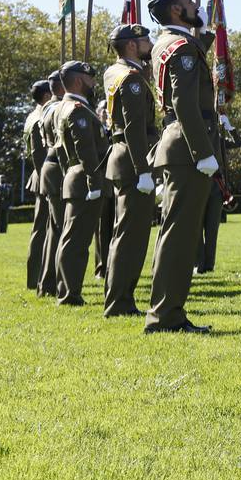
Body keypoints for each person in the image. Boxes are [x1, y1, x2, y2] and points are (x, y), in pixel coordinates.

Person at [145, 0, 220, 334]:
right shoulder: (181, 46)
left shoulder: (169, 43)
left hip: (176, 144)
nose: (195, 6)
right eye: (189, 3)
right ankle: (165, 316)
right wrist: (203, 152)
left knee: (175, 232)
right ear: (176, 11)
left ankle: (167, 312)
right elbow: (185, 103)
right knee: (180, 235)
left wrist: (202, 34)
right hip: (189, 146)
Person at [102, 23, 159, 317]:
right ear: (132, 46)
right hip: (134, 159)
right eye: (145, 39)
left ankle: (118, 298)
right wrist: (144, 169)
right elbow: (136, 127)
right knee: (131, 237)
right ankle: (119, 302)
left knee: (123, 233)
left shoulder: (115, 72)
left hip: (122, 156)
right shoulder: (132, 78)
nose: (150, 42)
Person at [52, 61, 109, 306]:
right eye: (90, 78)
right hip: (86, 180)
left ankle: (66, 289)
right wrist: (94, 183)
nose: (94, 83)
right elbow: (86, 150)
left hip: (76, 177)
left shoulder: (67, 107)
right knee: (76, 240)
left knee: (71, 238)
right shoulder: (76, 109)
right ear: (78, 81)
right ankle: (69, 294)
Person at [196, 113, 241, 274]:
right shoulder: (194, 138)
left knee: (211, 228)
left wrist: (230, 128)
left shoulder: (220, 140)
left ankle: (209, 264)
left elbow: (238, 142)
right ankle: (198, 264)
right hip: (198, 184)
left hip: (216, 186)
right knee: (196, 227)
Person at [36, 70, 68, 297]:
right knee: (60, 229)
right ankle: (52, 284)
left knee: (53, 229)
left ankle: (47, 283)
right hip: (59, 167)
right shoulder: (60, 108)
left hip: (50, 166)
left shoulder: (47, 107)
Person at [22, 79, 54, 289]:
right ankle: (35, 279)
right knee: (42, 230)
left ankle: (40, 277)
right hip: (43, 176)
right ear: (45, 96)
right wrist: (46, 181)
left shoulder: (34, 115)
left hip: (41, 175)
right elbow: (38, 154)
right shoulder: (38, 118)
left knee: (43, 229)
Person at [92, 100, 114, 278]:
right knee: (102, 227)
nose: (106, 113)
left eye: (109, 109)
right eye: (103, 110)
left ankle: (115, 265)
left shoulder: (116, 130)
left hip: (118, 181)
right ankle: (102, 266)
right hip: (103, 181)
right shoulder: (96, 131)